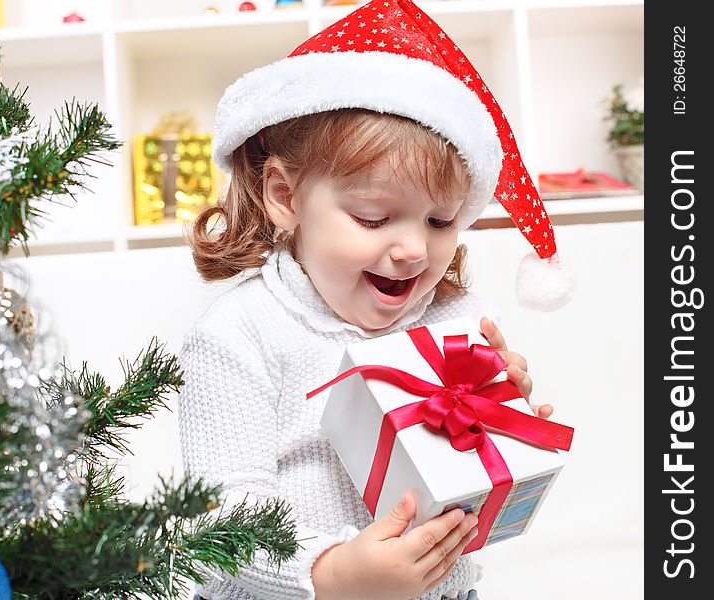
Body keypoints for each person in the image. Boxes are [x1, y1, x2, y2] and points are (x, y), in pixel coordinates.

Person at [178, 1, 569, 599]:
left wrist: (499, 424)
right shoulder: (239, 334)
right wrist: (332, 575)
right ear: (285, 195)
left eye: (440, 221)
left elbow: (465, 485)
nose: (413, 248)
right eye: (373, 216)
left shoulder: (453, 316)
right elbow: (216, 527)